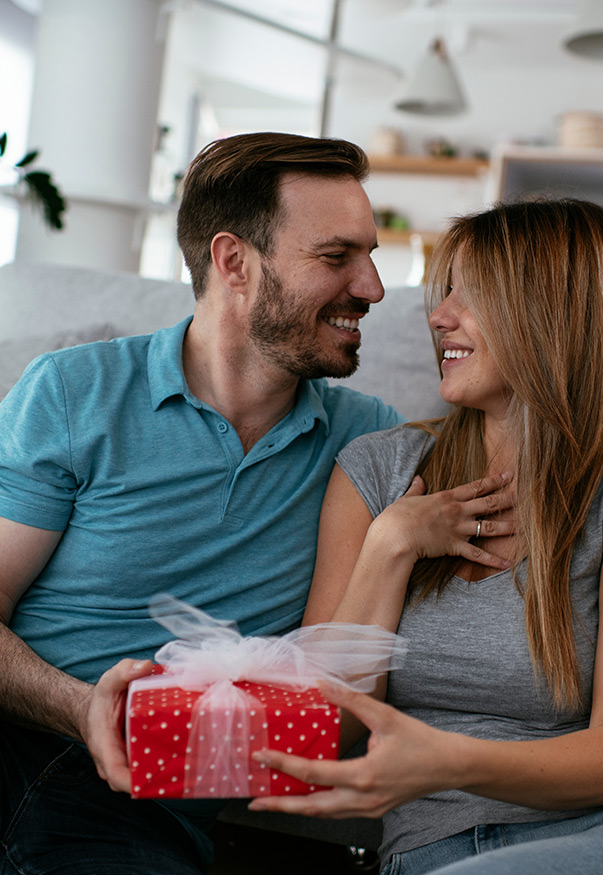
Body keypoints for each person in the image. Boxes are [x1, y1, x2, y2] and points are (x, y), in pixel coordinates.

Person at [247, 199, 603, 875]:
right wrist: (389, 545)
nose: (439, 315)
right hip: (428, 852)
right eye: (447, 289)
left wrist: (447, 759)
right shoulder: (379, 470)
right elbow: (324, 736)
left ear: (558, 317)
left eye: (474, 294)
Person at [0, 132, 406, 874]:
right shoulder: (72, 392)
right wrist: (79, 706)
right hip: (28, 735)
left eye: (371, 255)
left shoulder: (368, 442)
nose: (373, 286)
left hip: (136, 799)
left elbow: (528, 496)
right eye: (336, 256)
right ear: (233, 262)